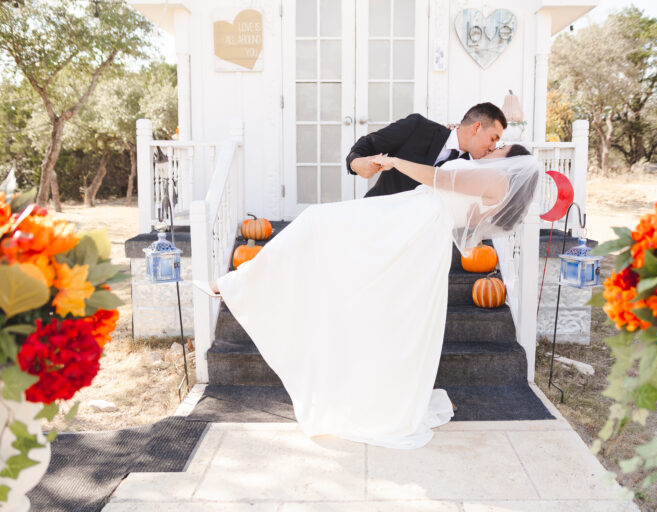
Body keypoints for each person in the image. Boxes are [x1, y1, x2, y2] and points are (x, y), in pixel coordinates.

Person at [197, 145, 540, 450]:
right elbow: (467, 233)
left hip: (413, 223)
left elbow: (438, 179)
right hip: (414, 221)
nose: (494, 147)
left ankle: (235, 283)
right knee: (361, 284)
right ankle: (239, 282)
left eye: (501, 145)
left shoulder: (496, 179)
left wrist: (395, 161)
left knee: (320, 226)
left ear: (512, 161)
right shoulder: (491, 178)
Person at [346, 102, 507, 197]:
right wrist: (355, 163)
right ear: (477, 127)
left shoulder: (467, 169)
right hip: (377, 214)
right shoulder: (418, 127)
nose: (493, 147)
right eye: (493, 139)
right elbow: (368, 144)